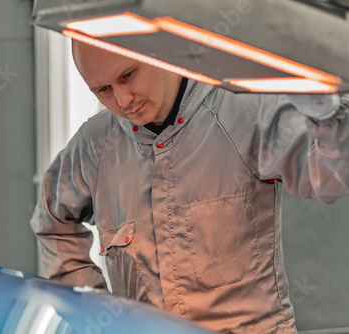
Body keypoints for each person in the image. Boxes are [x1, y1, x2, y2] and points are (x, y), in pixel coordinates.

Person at [30, 39, 349, 333]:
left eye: (128, 75)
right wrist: (92, 310)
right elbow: (52, 223)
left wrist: (330, 118)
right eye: (102, 90)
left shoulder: (243, 111)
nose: (123, 101)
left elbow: (331, 178)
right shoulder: (95, 146)